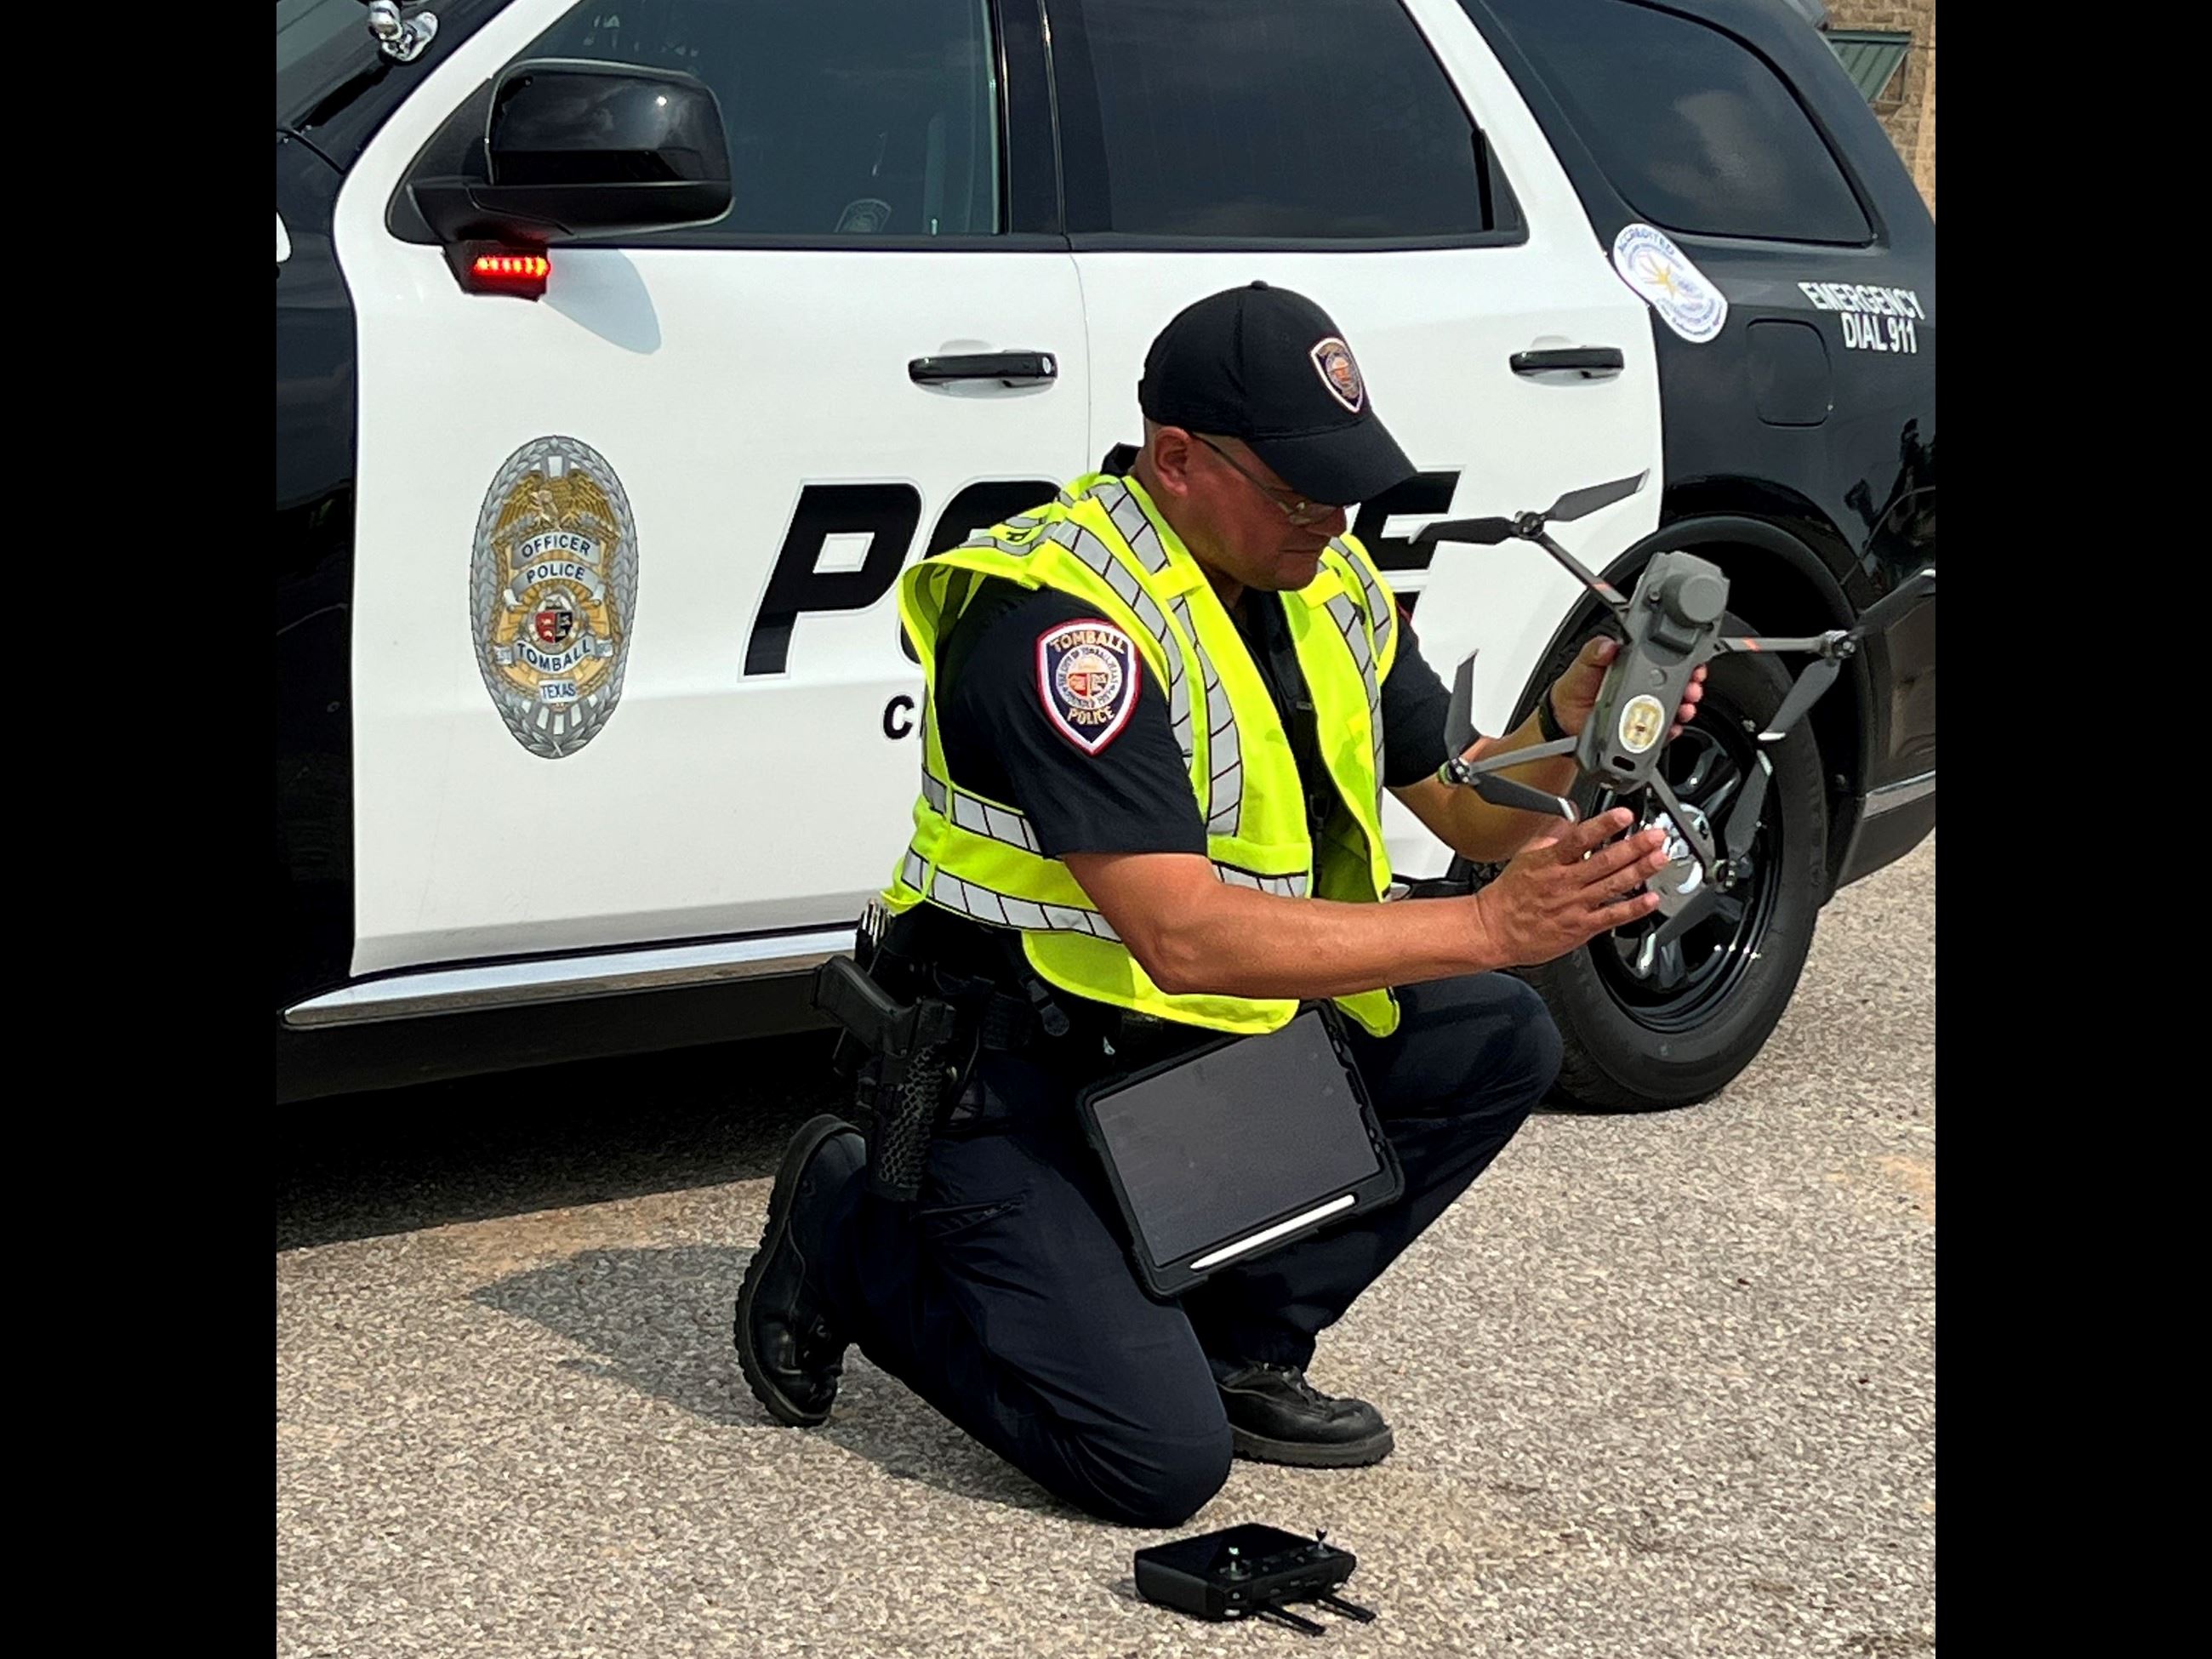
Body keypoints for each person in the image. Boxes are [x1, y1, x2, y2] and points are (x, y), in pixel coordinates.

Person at [735, 282, 1704, 1527]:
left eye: (1345, 485)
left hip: (1185, 1053)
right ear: (1177, 459)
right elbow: (1179, 932)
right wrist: (1488, 926)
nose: (1334, 517)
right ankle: (853, 1230)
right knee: (1152, 1465)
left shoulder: (1325, 581)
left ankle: (1240, 1340)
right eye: (1302, 491)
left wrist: (1568, 727)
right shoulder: (1064, 621)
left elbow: (1466, 810)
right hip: (1009, 1083)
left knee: (1494, 1032)